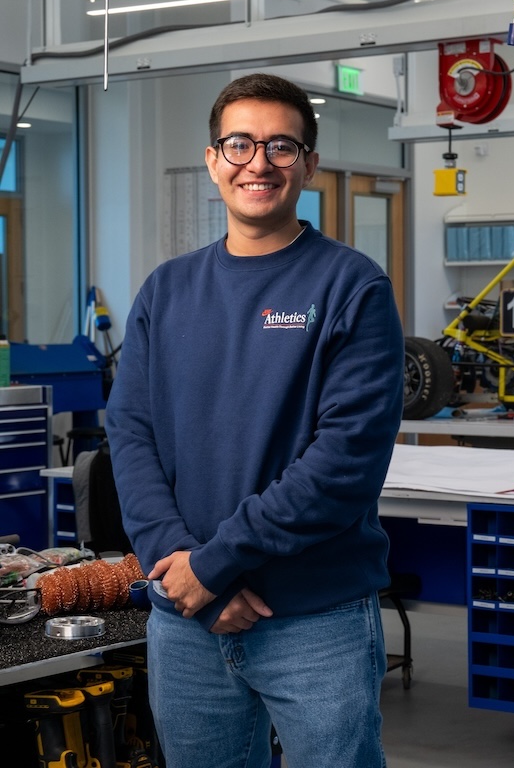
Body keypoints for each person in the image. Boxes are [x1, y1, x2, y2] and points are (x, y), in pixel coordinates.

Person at [106, 72, 404, 768]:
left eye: (279, 145)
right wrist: (184, 573)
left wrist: (212, 565)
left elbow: (344, 465)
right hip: (185, 620)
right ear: (212, 159)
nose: (257, 162)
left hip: (314, 618)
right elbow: (130, 433)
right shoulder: (167, 290)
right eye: (238, 143)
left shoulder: (350, 286)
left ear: (307, 163)